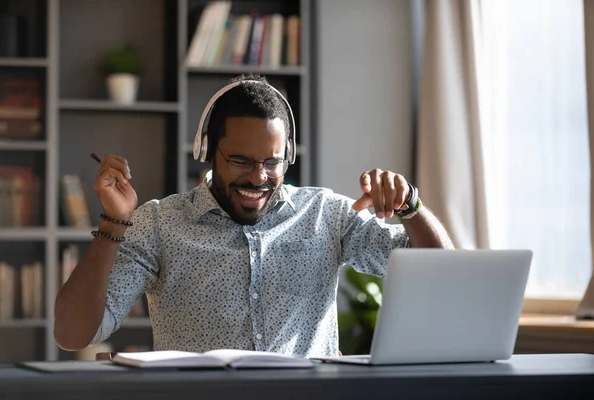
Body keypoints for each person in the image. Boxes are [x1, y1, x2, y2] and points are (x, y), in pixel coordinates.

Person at [53, 74, 454, 358]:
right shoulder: (159, 224)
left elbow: (440, 277)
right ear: (208, 152)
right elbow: (72, 335)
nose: (258, 177)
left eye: (272, 162)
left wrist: (410, 206)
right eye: (241, 161)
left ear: (289, 157)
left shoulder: (326, 215)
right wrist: (113, 222)